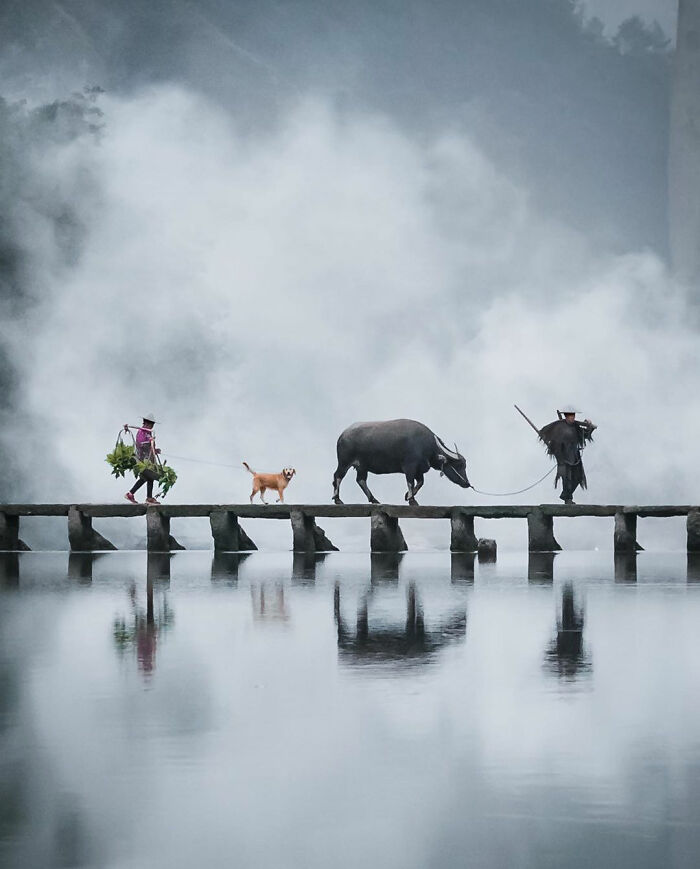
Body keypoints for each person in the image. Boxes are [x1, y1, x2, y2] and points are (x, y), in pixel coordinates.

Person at [538, 406, 597, 504]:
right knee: (567, 478)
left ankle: (565, 495)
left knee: (578, 477)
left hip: (574, 456)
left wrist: (589, 426)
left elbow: (584, 435)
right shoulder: (559, 427)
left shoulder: (576, 426)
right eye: (570, 416)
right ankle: (568, 499)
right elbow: (545, 434)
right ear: (566, 416)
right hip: (563, 457)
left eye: (573, 416)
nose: (572, 418)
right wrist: (554, 447)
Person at [124, 413, 161, 504]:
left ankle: (131, 494)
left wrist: (154, 450)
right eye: (151, 425)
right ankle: (148, 498)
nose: (151, 427)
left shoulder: (148, 432)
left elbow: (149, 446)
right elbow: (141, 445)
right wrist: (150, 444)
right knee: (149, 477)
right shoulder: (142, 432)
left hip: (147, 458)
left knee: (146, 478)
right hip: (142, 459)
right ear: (146, 424)